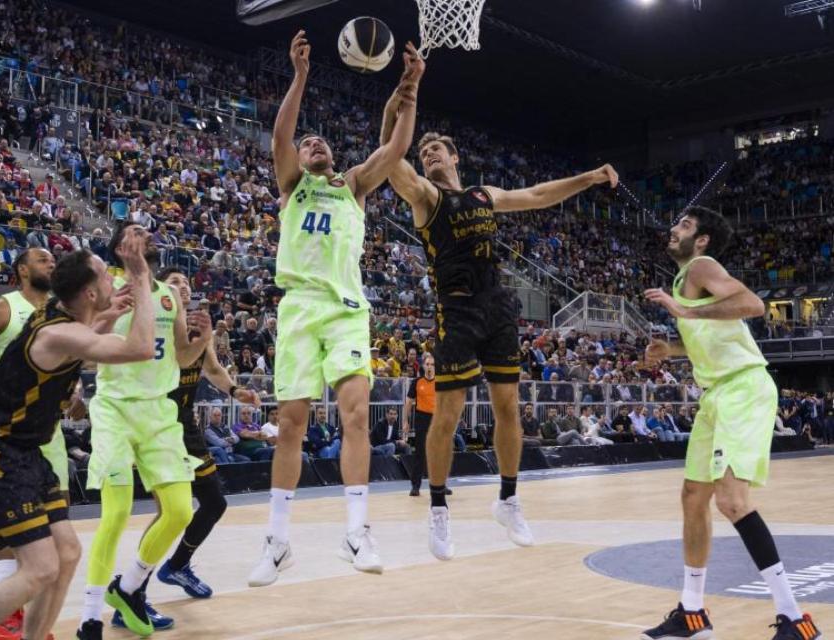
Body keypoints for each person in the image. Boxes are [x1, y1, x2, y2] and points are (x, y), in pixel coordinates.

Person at [380, 75, 618, 561]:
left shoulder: (484, 195)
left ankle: (508, 499)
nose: (429, 155)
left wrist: (588, 177)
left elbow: (537, 195)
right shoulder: (425, 196)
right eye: (423, 152)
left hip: (498, 306)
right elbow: (388, 158)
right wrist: (396, 108)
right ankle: (438, 508)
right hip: (456, 309)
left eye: (436, 150)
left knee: (508, 407)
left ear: (455, 157)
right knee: (447, 413)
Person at [247, 32, 424, 586]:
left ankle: (356, 531)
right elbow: (281, 134)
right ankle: (277, 542)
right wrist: (300, 75)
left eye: (320, 141)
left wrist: (411, 91)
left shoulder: (353, 185)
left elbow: (395, 150)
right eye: (308, 144)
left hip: (347, 308)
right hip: (299, 307)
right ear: (299, 160)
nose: (313, 143)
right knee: (291, 424)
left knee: (355, 416)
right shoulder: (292, 185)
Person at [641, 207, 822, 640]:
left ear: (702, 240)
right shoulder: (684, 280)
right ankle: (691, 613)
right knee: (693, 496)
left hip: (742, 387)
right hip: (716, 394)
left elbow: (752, 305)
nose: (674, 229)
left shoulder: (702, 266)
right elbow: (711, 333)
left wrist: (684, 312)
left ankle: (795, 619)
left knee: (732, 501)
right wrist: (673, 350)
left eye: (684, 225)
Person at [0, 240, 155, 640]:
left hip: (26, 450)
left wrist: (105, 315)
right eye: (106, 276)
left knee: (67, 553)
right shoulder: (59, 332)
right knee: (39, 568)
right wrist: (142, 276)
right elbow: (142, 348)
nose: (114, 280)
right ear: (90, 293)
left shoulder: (60, 316)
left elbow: (82, 339)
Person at [77, 223, 213, 640]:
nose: (145, 235)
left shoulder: (169, 294)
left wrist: (202, 339)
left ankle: (129, 588)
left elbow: (181, 356)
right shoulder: (106, 290)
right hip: (115, 409)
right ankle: (89, 618)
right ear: (120, 246)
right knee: (116, 513)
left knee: (180, 511)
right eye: (134, 232)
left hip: (159, 411)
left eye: (147, 231)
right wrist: (106, 316)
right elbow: (83, 351)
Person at [110, 268, 259, 613]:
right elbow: (179, 359)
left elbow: (213, 370)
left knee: (214, 503)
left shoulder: (198, 328)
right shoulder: (155, 326)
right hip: (158, 426)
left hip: (186, 426)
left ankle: (176, 566)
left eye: (187, 283)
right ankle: (133, 591)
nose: (183, 287)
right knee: (168, 514)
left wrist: (236, 390)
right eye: (175, 282)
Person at [0, 248, 87, 640]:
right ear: (22, 270)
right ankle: (3, 611)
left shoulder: (61, 312)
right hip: (6, 435)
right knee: (18, 540)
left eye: (53, 261)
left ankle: (32, 624)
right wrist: (1, 399)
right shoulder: (1, 310)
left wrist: (72, 395)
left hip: (47, 436)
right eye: (42, 260)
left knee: (59, 543)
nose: (51, 264)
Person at [404, 355, 452, 496]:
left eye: (432, 364)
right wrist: (405, 421)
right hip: (422, 419)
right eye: (427, 364)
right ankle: (415, 486)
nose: (430, 366)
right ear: (424, 366)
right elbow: (408, 402)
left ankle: (441, 484)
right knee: (420, 453)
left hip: (437, 419)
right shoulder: (417, 382)